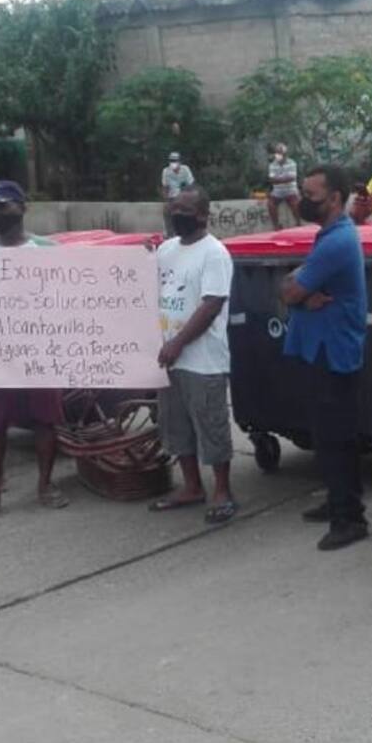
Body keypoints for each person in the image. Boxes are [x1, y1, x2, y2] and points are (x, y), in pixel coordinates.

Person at [0, 181, 67, 522]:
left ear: (23, 207)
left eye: (4, 205)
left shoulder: (48, 250)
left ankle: (45, 485)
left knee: (46, 421)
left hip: (40, 351)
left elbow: (72, 298)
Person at [281, 165, 370, 550]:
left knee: (336, 438)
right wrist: (299, 292)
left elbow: (287, 292)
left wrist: (298, 292)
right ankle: (340, 498)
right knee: (330, 436)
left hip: (333, 353)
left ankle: (347, 518)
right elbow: (291, 288)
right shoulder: (330, 235)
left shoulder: (337, 242)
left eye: (311, 195)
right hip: (322, 350)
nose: (303, 201)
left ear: (334, 198)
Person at [149, 186, 238, 523]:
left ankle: (222, 491)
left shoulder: (214, 253)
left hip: (202, 358)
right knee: (176, 426)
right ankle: (191, 486)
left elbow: (211, 304)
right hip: (167, 357)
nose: (177, 213)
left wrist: (178, 342)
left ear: (203, 214)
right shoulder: (167, 249)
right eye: (173, 207)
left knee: (211, 424)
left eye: (185, 209)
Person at [266, 142, 300, 231]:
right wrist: (284, 179)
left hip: (290, 190)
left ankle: (298, 223)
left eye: (280, 153)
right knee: (270, 204)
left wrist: (278, 180)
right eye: (277, 153)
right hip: (277, 192)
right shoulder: (272, 165)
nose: (278, 155)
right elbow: (271, 180)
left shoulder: (292, 163)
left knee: (295, 203)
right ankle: (276, 226)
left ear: (285, 154)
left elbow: (292, 178)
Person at [160, 152, 196, 235]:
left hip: (184, 196)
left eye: (175, 161)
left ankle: (190, 231)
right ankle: (169, 233)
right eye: (172, 161)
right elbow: (165, 187)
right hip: (172, 198)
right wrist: (166, 201)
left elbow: (191, 184)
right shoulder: (166, 171)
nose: (174, 163)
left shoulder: (185, 169)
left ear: (180, 161)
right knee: (166, 210)